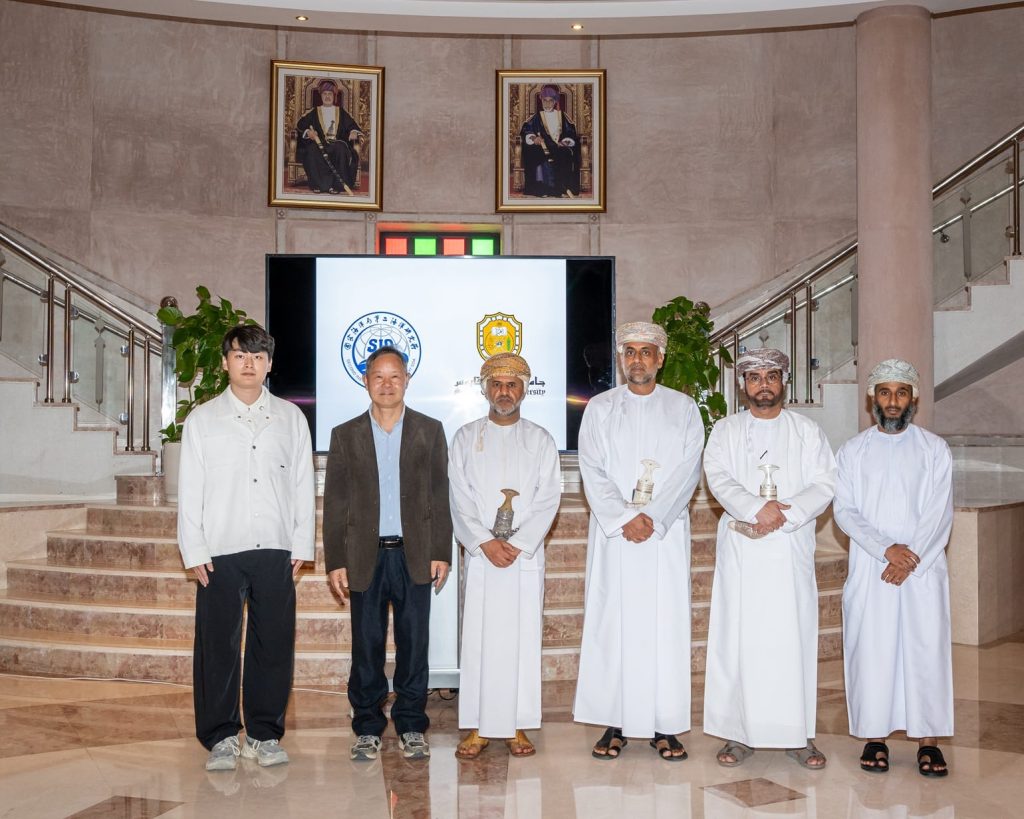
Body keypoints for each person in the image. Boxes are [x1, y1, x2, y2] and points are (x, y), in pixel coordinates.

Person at [177, 324, 315, 771]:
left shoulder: (291, 418)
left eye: (257, 356)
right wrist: (193, 548)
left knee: (273, 643)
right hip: (219, 547)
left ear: (269, 364)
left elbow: (302, 484)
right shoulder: (202, 420)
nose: (249, 364)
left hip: (276, 545)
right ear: (225, 363)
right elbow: (190, 488)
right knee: (217, 643)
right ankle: (220, 736)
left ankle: (264, 734)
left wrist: (302, 541)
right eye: (240, 355)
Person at [573, 321, 704, 762]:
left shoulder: (683, 408)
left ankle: (665, 725)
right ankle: (614, 722)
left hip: (664, 537)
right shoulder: (600, 408)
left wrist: (654, 517)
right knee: (613, 625)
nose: (637, 360)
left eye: (646, 352)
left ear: (660, 358)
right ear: (620, 358)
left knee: (665, 627)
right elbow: (591, 469)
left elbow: (688, 470)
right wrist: (625, 517)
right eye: (629, 351)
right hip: (616, 538)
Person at [702, 348, 836, 770]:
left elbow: (825, 483)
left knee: (791, 641)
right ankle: (739, 733)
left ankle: (798, 735)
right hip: (743, 549)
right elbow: (718, 477)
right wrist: (754, 508)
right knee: (740, 641)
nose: (763, 385)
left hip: (789, 550)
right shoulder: (725, 430)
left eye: (771, 376)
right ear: (743, 385)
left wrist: (785, 515)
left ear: (784, 382)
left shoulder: (807, 431)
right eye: (754, 377)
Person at [322, 345, 453, 761]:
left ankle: (412, 724)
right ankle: (367, 726)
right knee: (367, 646)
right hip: (366, 556)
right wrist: (335, 559)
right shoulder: (345, 434)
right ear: (366, 381)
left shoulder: (429, 430)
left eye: (395, 376)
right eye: (378, 376)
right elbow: (335, 502)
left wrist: (441, 550)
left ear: (407, 380)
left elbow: (440, 493)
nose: (387, 384)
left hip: (415, 554)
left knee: (414, 644)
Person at [834, 359, 954, 777]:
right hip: (874, 567)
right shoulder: (853, 451)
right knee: (873, 649)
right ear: (872, 398)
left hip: (922, 569)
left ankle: (929, 742)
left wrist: (911, 557)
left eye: (901, 393)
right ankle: (875, 736)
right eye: (884, 392)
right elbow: (845, 511)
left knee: (926, 650)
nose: (892, 401)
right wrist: (887, 550)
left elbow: (940, 511)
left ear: (913, 399)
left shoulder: (934, 449)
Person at [449, 353, 561, 760]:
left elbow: (549, 498)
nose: (504, 392)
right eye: (496, 384)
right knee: (480, 642)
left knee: (522, 640)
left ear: (524, 390)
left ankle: (516, 724)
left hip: (523, 558)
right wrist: (484, 542)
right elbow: (458, 496)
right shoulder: (465, 438)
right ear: (485, 390)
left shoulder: (541, 440)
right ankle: (478, 726)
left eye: (512, 385)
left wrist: (519, 542)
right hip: (483, 558)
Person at [295, 78, 364, 194]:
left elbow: (352, 126)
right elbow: (300, 125)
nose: (327, 96)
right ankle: (319, 185)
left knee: (341, 149)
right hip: (319, 144)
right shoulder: (314, 111)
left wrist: (353, 132)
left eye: (330, 94)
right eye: (325, 94)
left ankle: (337, 186)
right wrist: (308, 132)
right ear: (321, 96)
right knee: (311, 150)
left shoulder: (340, 112)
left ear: (334, 96)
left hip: (337, 143)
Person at [519, 84, 581, 198]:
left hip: (559, 147)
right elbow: (527, 130)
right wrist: (534, 138)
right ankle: (543, 189)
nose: (547, 104)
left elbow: (570, 132)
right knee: (537, 155)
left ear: (555, 101)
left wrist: (566, 142)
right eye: (545, 101)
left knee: (565, 154)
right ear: (541, 101)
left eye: (550, 101)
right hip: (542, 147)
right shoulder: (537, 117)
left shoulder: (562, 116)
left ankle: (562, 189)